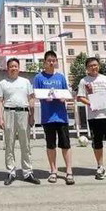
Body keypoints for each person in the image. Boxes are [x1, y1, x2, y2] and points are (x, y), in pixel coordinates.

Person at [0, 58, 40, 185]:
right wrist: (0, 118)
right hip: (8, 113)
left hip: (24, 113)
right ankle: (11, 172)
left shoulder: (25, 82)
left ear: (19, 68)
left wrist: (32, 115)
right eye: (11, 66)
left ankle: (27, 172)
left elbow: (31, 98)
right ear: (7, 68)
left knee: (25, 144)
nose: (13, 68)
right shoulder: (3, 83)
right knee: (9, 144)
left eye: (15, 66)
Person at [33, 50, 75, 185]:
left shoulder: (61, 77)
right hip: (47, 117)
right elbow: (35, 94)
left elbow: (67, 93)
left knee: (65, 145)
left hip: (62, 117)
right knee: (50, 145)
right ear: (44, 62)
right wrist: (44, 98)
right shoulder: (39, 78)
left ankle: (69, 171)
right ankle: (53, 170)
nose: (51, 63)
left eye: (53, 60)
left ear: (56, 62)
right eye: (49, 60)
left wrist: (64, 98)